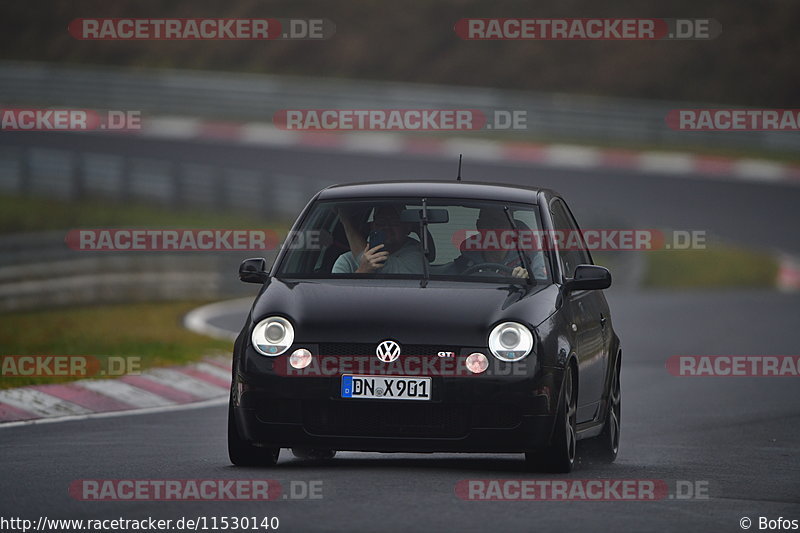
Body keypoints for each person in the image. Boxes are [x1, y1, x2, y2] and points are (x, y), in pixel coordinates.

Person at [454, 207, 547, 280]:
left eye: (500, 224)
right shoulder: (462, 265)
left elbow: (541, 293)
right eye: (488, 223)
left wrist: (526, 280)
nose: (493, 229)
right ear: (479, 226)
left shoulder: (533, 262)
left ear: (511, 229)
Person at [332, 204, 425, 274]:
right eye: (381, 222)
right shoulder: (347, 261)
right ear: (372, 227)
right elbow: (336, 297)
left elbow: (379, 263)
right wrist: (362, 271)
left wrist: (346, 222)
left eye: (394, 222)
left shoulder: (416, 258)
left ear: (407, 228)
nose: (386, 226)